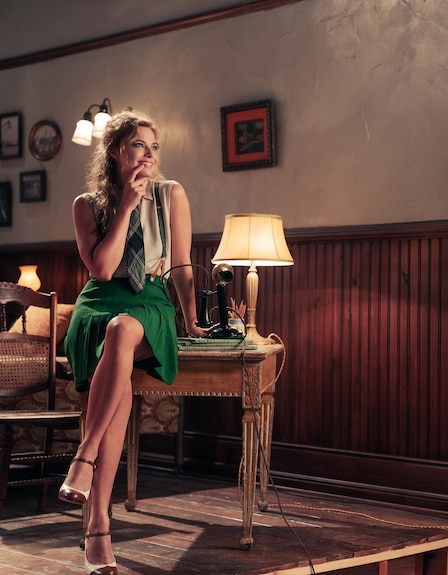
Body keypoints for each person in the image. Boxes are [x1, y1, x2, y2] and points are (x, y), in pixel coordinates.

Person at [58, 110, 208, 575]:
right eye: (140, 145)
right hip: (99, 303)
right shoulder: (88, 204)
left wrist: (193, 321)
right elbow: (102, 269)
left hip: (151, 303)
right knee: (116, 364)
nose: (150, 155)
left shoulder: (171, 195)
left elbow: (181, 265)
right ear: (115, 151)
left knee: (124, 329)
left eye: (154, 147)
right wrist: (124, 206)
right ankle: (98, 526)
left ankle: (84, 457)